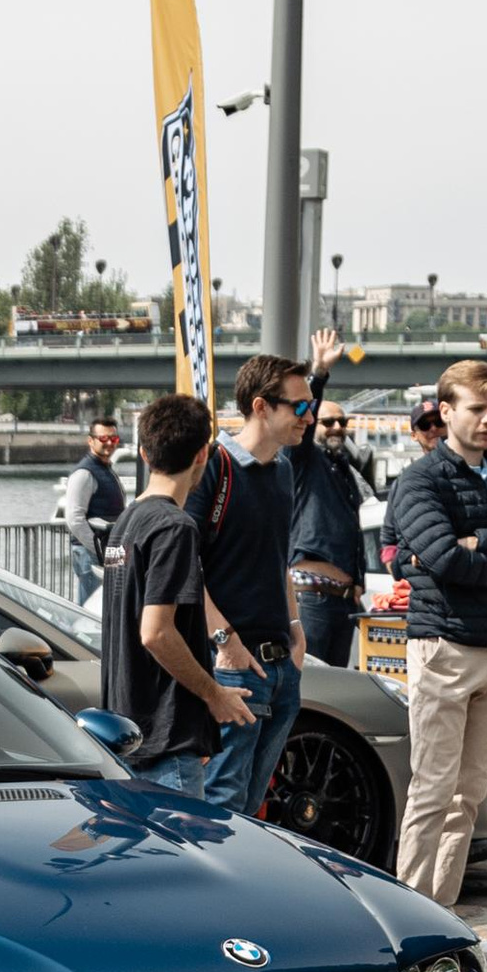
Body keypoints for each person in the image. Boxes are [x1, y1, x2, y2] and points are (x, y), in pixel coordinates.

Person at [387, 358, 487, 902]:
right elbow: (444, 560)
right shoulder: (420, 480)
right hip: (446, 647)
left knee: (470, 795)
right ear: (446, 411)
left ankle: (447, 918)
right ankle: (407, 923)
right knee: (432, 792)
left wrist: (485, 541)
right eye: (477, 409)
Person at [192, 329, 343, 818]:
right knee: (222, 803)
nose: (310, 415)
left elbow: (278, 557)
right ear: (261, 406)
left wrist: (296, 631)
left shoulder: (281, 470)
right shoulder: (213, 467)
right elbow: (184, 565)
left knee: (253, 805)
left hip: (281, 664)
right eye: (299, 407)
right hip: (235, 664)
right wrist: (225, 642)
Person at [101, 392, 257, 793]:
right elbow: (155, 632)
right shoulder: (175, 527)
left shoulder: (128, 520)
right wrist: (214, 694)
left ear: (143, 454)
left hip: (126, 739)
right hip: (165, 747)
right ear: (203, 455)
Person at [285, 392, 374, 667]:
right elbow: (303, 415)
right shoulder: (303, 460)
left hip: (342, 602)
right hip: (313, 598)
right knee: (310, 684)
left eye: (342, 421)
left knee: (331, 689)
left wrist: (358, 580)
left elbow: (355, 530)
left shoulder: (344, 469)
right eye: (328, 422)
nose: (337, 427)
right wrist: (319, 375)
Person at [58, 416, 127, 603]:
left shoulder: (106, 469)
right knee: (90, 609)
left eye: (114, 439)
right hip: (92, 553)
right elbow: (74, 519)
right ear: (91, 441)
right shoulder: (84, 473)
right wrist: (99, 551)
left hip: (109, 550)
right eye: (103, 439)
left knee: (111, 605)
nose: (109, 443)